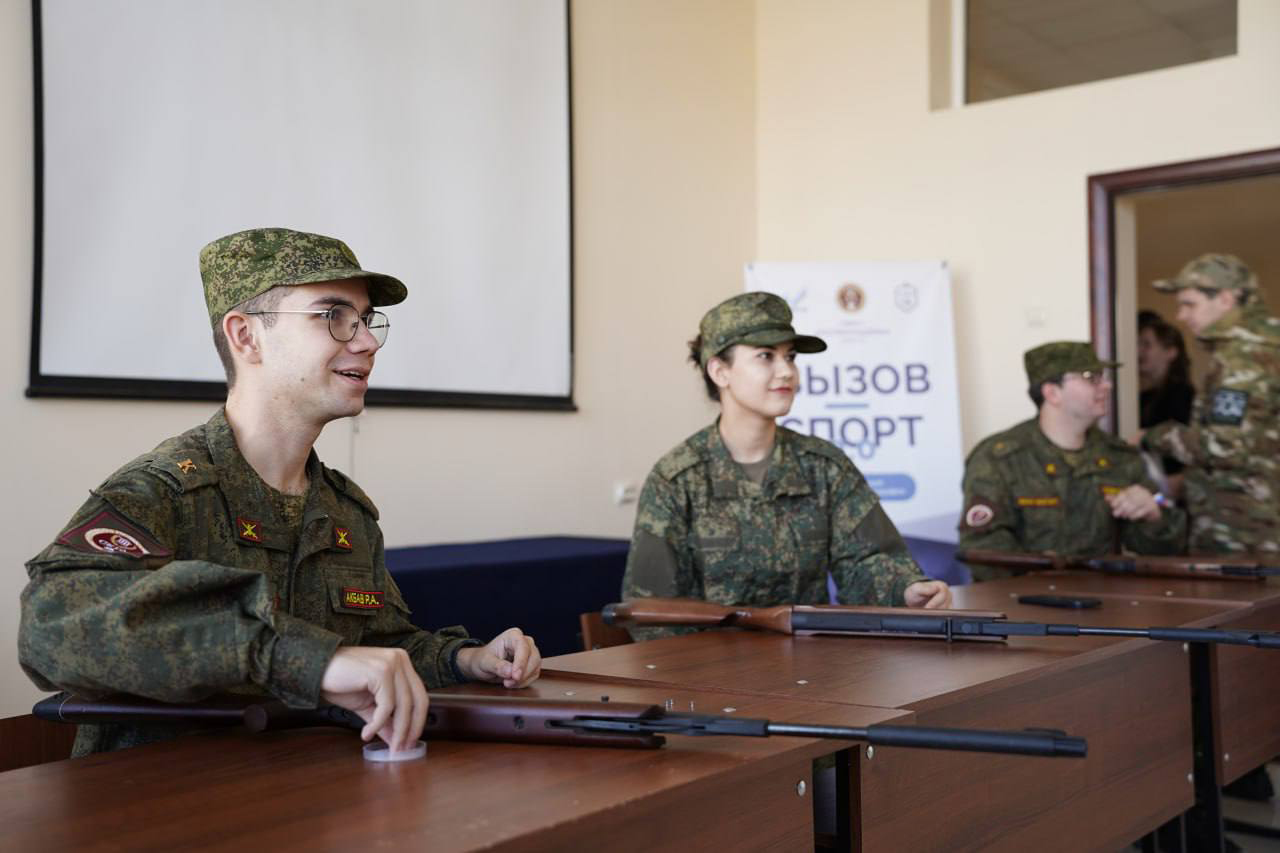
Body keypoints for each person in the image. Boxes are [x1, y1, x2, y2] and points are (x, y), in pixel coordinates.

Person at [18, 228, 541, 757]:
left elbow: (377, 648)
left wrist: (462, 660)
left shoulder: (343, 511)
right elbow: (51, 628)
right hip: (163, 794)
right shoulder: (164, 491)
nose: (365, 342)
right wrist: (305, 660)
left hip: (310, 787)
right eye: (333, 315)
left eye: (365, 320)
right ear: (246, 336)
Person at [621, 291, 951, 642]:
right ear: (720, 371)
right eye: (765, 356)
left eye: (790, 357)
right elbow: (652, 610)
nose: (786, 372)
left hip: (810, 663)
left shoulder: (823, 466)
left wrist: (905, 589)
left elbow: (866, 561)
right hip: (708, 668)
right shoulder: (677, 479)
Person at [959, 341, 1185, 580]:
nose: (1107, 385)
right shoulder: (999, 458)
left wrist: (1152, 515)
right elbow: (982, 550)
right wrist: (1044, 578)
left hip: (1106, 597)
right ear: (1052, 393)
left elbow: (1164, 551)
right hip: (1022, 598)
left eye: (1103, 377)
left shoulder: (1120, 456)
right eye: (1091, 378)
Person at [1140, 253, 1280, 555]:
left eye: (1190, 304)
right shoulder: (1261, 347)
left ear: (1226, 299)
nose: (1181, 315)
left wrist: (1153, 436)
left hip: (1247, 534)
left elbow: (1224, 446)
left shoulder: (1244, 358)